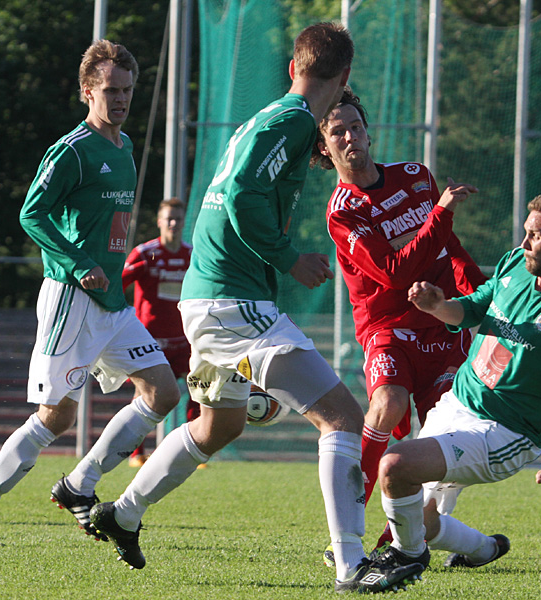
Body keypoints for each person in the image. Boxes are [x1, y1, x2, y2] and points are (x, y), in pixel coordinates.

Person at [88, 23, 425, 593]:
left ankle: (120, 514)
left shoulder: (272, 117)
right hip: (229, 300)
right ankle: (350, 566)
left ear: (294, 67)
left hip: (211, 294)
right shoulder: (292, 121)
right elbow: (243, 193)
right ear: (343, 77)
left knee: (219, 425)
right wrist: (288, 257)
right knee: (342, 417)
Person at [0, 40, 180, 546]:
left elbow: (114, 229)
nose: (119, 99)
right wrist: (79, 265)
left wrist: (106, 272)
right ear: (86, 92)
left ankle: (81, 484)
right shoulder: (74, 149)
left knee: (163, 391)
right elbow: (31, 214)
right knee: (57, 415)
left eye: (126, 90)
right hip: (72, 299)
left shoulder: (123, 148)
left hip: (110, 303)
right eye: (109, 91)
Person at [374, 191, 541, 574]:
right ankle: (483, 550)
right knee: (422, 518)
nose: (524, 243)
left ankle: (403, 557)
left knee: (395, 466)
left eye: (535, 236)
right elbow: (473, 309)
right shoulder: (515, 264)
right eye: (525, 233)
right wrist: (436, 305)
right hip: (456, 404)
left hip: (503, 433)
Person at [312, 88, 486, 555]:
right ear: (323, 149)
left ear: (368, 129)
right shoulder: (343, 211)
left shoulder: (415, 176)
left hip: (440, 321)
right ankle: (348, 527)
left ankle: (398, 540)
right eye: (336, 132)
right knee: (388, 405)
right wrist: (441, 215)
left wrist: (478, 296)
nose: (350, 137)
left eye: (355, 126)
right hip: (387, 327)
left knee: (438, 438)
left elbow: (448, 250)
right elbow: (394, 272)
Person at [122, 197, 201, 467]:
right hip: (150, 341)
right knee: (145, 396)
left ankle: (193, 452)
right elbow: (119, 284)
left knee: (198, 391)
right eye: (169, 218)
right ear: (159, 222)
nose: (174, 224)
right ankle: (136, 454)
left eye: (178, 218)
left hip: (185, 339)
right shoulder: (146, 253)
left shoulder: (192, 255)